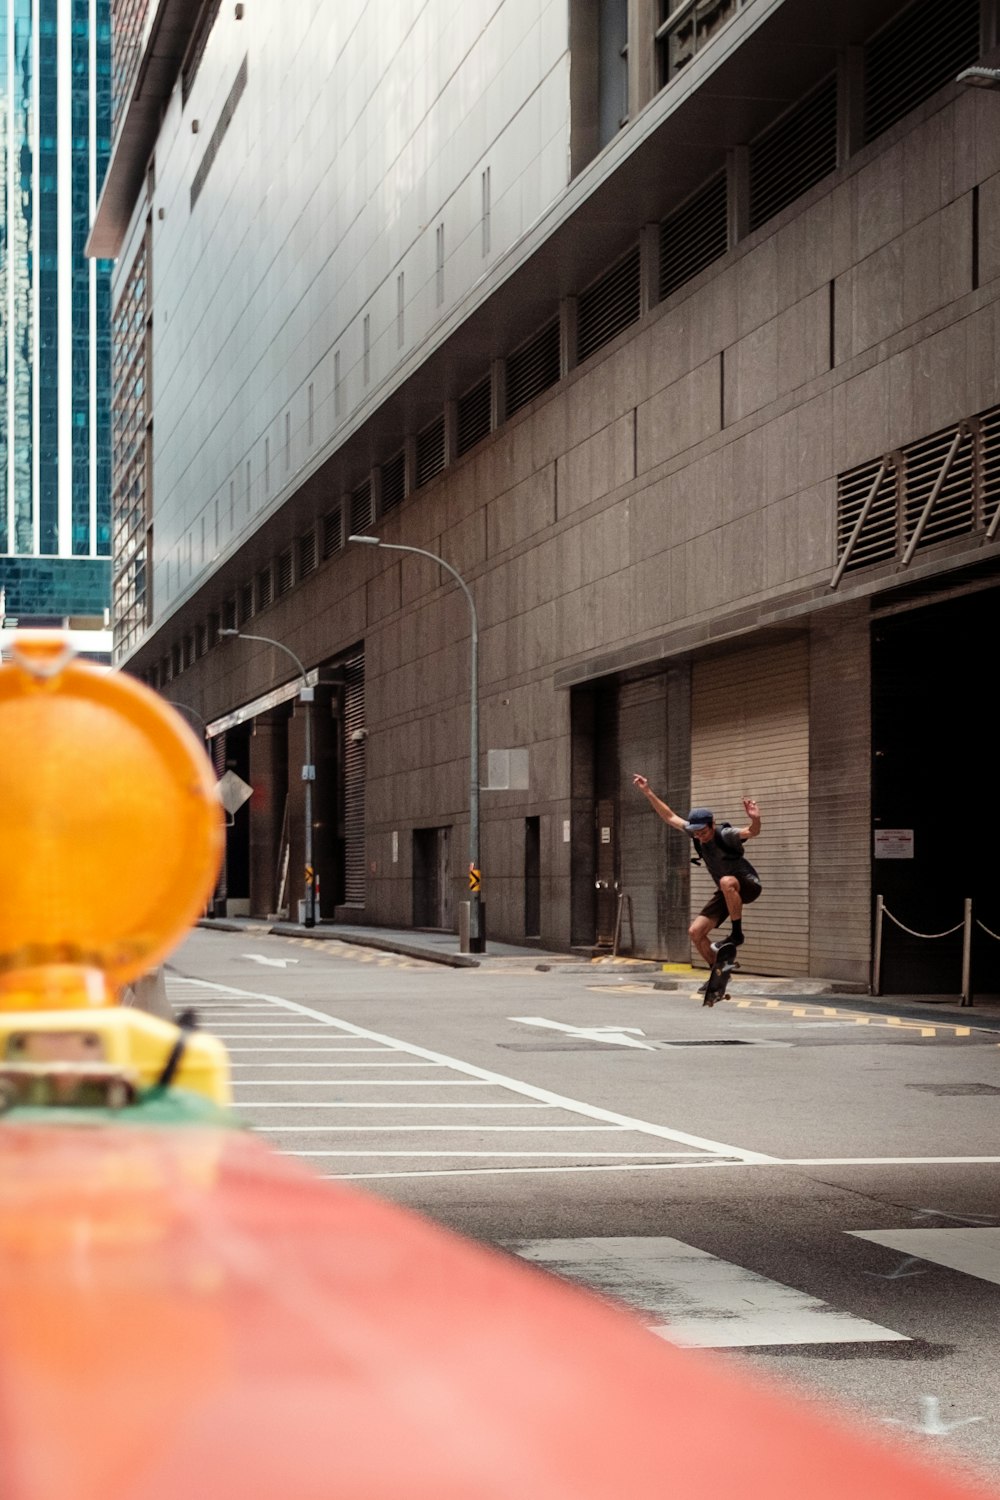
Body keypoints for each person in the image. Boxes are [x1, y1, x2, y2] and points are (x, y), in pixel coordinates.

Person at [632, 776, 761, 972]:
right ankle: (717, 972)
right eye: (696, 833)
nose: (700, 837)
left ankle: (736, 935)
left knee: (726, 881)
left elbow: (751, 832)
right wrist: (648, 792)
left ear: (712, 824)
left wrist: (755, 818)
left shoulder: (724, 834)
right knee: (695, 932)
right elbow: (669, 817)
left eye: (703, 832)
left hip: (748, 885)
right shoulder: (695, 833)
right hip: (727, 891)